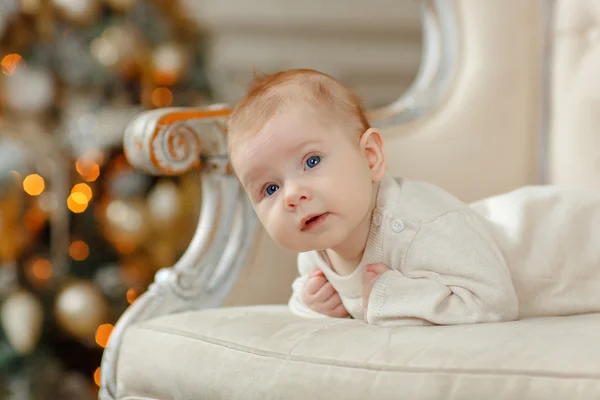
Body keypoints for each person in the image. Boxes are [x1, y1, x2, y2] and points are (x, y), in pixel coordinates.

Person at [227, 68, 600, 326]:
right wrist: (310, 304)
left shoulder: (421, 227)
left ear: (370, 157)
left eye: (311, 161)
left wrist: (391, 296)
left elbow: (495, 303)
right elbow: (318, 299)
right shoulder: (316, 250)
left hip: (562, 242)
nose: (292, 196)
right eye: (269, 189)